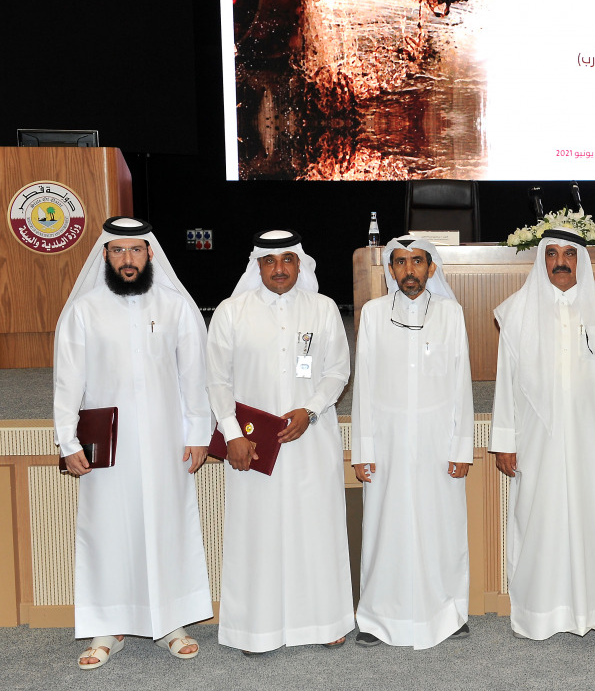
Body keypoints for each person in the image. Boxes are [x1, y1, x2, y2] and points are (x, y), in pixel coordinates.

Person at [54, 217, 212, 669]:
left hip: (168, 443)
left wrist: (200, 433)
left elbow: (193, 376)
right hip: (107, 448)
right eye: (118, 251)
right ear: (104, 255)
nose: (127, 260)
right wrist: (67, 442)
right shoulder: (84, 310)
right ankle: (106, 629)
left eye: (136, 251)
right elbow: (67, 382)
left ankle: (171, 623)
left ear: (150, 255)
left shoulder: (175, 305)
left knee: (168, 526)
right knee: (107, 531)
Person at [489, 228, 595, 640]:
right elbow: (505, 382)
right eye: (552, 253)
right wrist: (504, 440)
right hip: (537, 440)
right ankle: (541, 614)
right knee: (539, 521)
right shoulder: (516, 311)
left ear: (581, 261)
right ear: (541, 259)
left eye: (570, 254)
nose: (561, 261)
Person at [206, 230, 353, 654]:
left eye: (287, 260)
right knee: (258, 534)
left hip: (311, 437)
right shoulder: (232, 313)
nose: (279, 269)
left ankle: (325, 621)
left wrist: (311, 410)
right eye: (269, 262)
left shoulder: (323, 309)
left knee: (317, 529)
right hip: (252, 447)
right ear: (257, 267)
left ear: (301, 264)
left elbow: (338, 371)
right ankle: (256, 629)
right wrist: (231, 434)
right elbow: (216, 379)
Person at [351, 236, 474, 648]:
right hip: (386, 444)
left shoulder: (451, 314)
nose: (409, 270)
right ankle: (376, 618)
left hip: (438, 444)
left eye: (417, 262)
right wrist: (362, 449)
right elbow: (363, 387)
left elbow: (462, 385)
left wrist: (461, 447)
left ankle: (450, 612)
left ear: (431, 268)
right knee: (385, 528)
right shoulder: (371, 314)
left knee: (442, 526)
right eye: (400, 263)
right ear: (391, 270)